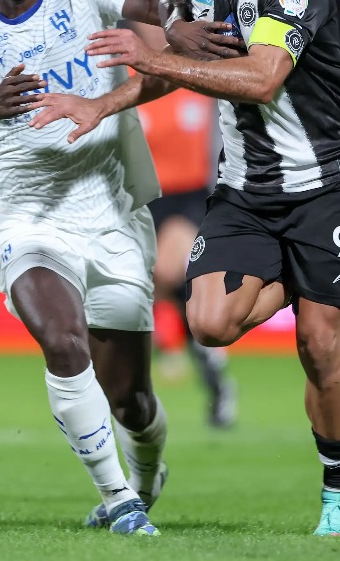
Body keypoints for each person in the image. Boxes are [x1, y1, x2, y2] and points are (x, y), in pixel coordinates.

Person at [26, 0, 340, 536]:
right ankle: (319, 278)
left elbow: (263, 78)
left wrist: (156, 55)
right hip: (245, 188)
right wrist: (104, 103)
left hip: (324, 183)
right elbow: (177, 69)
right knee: (208, 324)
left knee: (317, 347)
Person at [0, 0, 244, 536]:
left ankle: (146, 478)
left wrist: (176, 20)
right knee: (62, 340)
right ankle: (119, 499)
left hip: (113, 214)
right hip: (28, 219)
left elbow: (149, 1)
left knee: (131, 400)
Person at [127, 23, 237, 428]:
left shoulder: (196, 71)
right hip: (142, 199)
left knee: (167, 270)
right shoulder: (127, 77)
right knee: (161, 288)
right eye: (146, 26)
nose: (154, 33)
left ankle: (172, 348)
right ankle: (212, 369)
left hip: (189, 197)